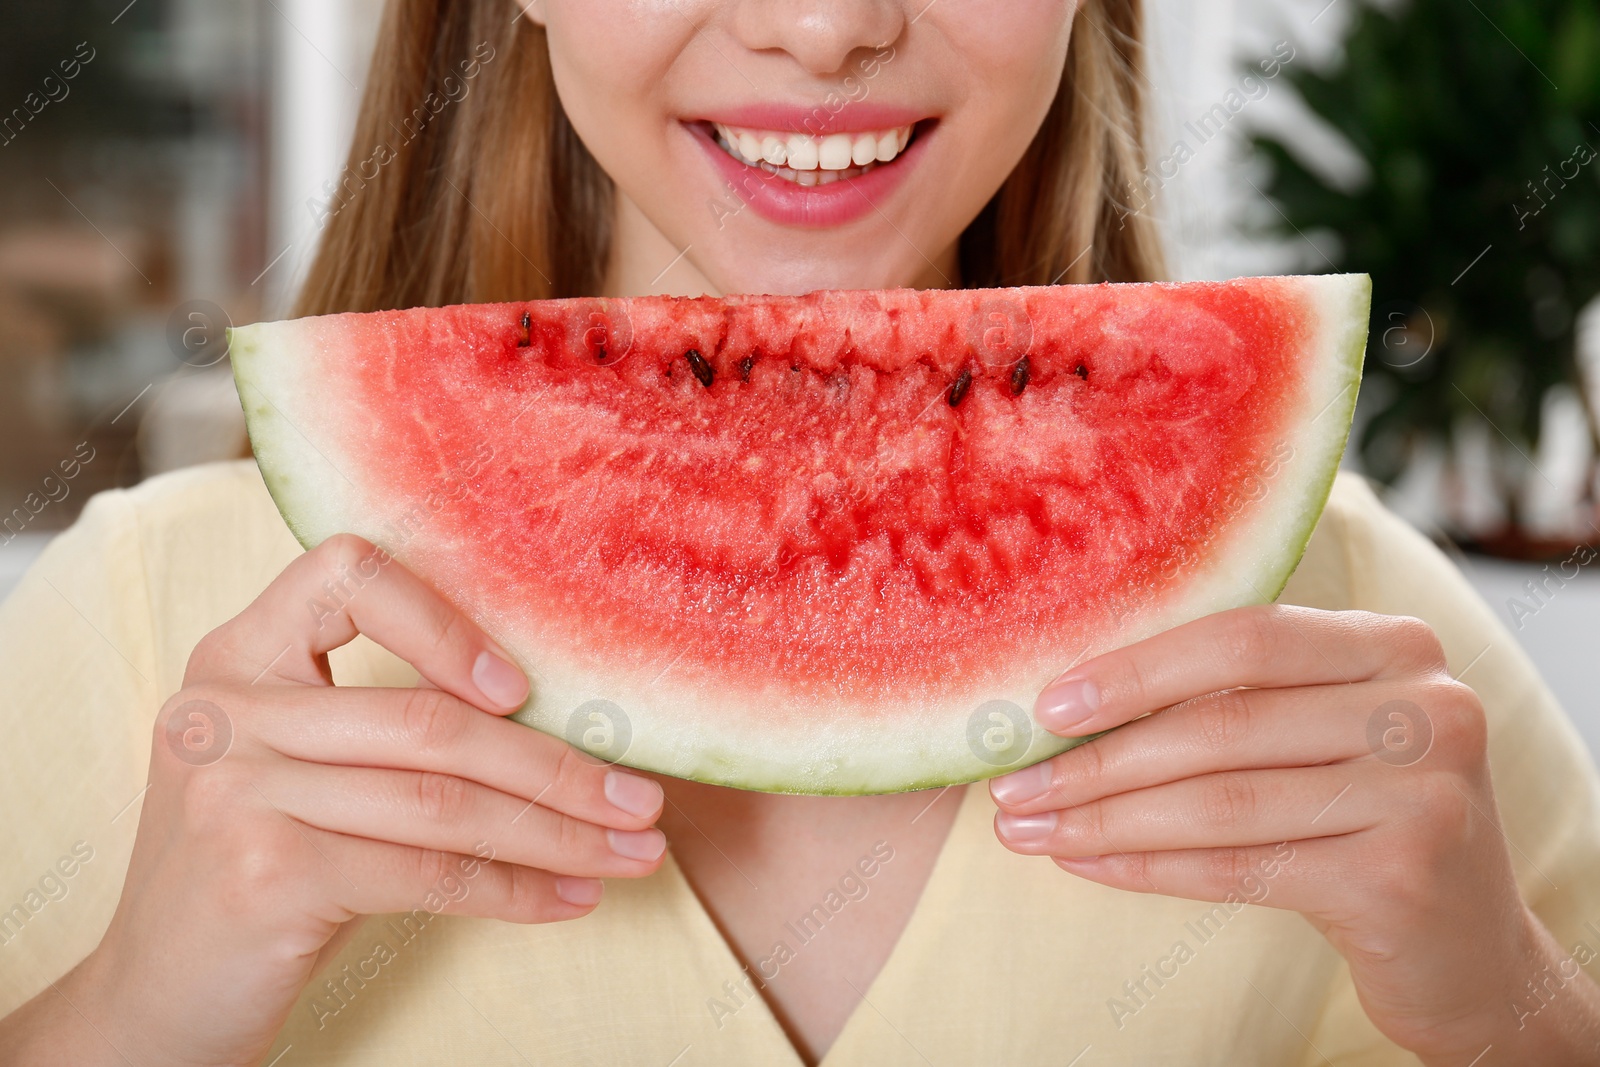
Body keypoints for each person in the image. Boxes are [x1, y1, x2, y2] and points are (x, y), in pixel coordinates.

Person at [3, 2, 1600, 1064]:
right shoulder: (156, 618)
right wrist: (133, 1013)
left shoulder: (1364, 629)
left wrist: (1509, 1008)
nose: (825, 26)